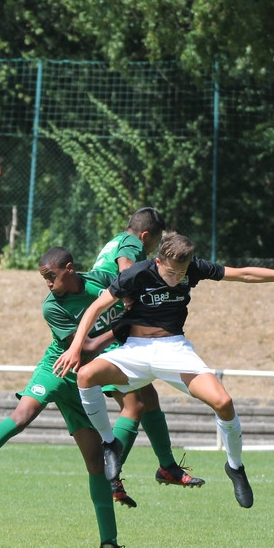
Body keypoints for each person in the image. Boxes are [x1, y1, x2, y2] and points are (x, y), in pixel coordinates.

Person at [53, 233, 274, 509]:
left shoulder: (194, 268)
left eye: (182, 273)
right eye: (171, 272)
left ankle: (235, 467)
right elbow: (95, 308)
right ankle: (110, 443)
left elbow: (243, 274)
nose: (176, 278)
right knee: (86, 375)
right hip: (135, 350)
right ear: (158, 261)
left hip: (174, 350)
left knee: (224, 402)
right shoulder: (137, 273)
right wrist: (76, 348)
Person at [0, 247, 138, 548]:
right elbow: (85, 348)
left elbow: (128, 284)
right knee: (22, 416)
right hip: (57, 370)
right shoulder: (52, 306)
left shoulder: (99, 280)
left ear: (69, 269)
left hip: (84, 384)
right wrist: (123, 327)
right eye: (43, 278)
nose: (47, 283)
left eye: (51, 276)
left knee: (96, 467)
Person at [91, 207, 205, 507]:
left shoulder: (116, 240)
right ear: (145, 236)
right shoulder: (131, 244)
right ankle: (111, 478)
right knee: (134, 405)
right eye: (154, 243)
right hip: (112, 333)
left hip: (108, 327)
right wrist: (132, 295)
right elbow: (126, 268)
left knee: (149, 399)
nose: (154, 250)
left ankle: (167, 466)